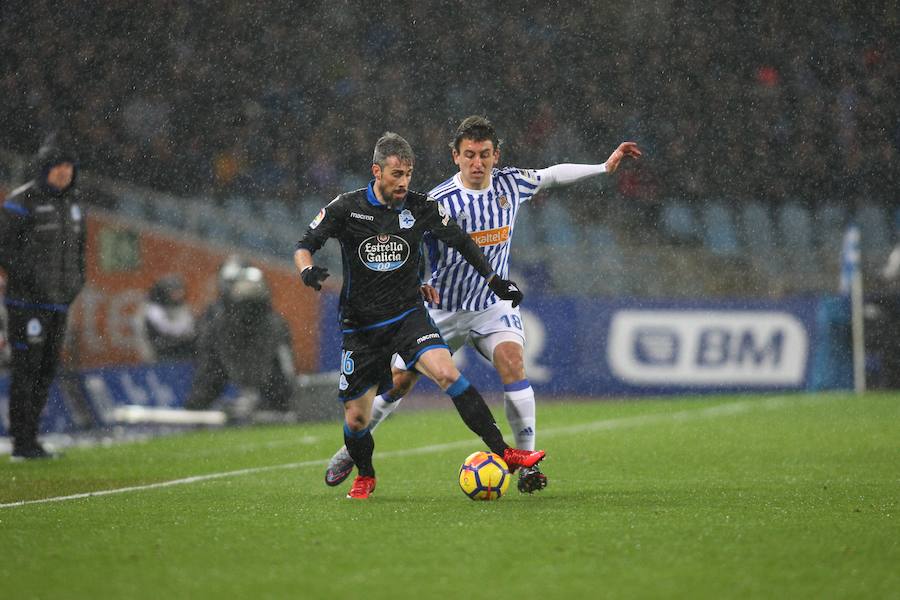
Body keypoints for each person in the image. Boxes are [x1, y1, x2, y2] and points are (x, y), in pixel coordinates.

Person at [325, 116, 641, 492]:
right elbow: (407, 243)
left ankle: (527, 466)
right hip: (443, 309)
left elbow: (552, 174)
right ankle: (353, 448)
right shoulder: (438, 199)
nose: (478, 162)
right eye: (470, 154)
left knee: (513, 364)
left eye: (485, 154)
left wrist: (603, 167)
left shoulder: (511, 183)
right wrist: (417, 282)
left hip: (492, 306)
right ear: (456, 157)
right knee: (398, 383)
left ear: (496, 156)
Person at [294, 131, 545, 499]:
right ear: (377, 171)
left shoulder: (420, 206)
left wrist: (493, 279)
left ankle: (506, 452)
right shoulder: (347, 207)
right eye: (397, 174)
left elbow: (461, 240)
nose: (404, 182)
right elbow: (305, 244)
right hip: (362, 327)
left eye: (408, 174)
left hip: (409, 316)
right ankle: (364, 471)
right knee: (357, 419)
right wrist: (306, 270)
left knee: (447, 374)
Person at [0, 133, 85, 460]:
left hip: (58, 303)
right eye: (58, 166)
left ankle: (32, 438)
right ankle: (21, 442)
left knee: (47, 370)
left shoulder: (74, 205)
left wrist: (75, 284)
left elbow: (79, 252)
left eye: (69, 167)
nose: (65, 172)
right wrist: (31, 280)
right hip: (27, 305)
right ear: (44, 168)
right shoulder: (21, 202)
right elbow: (4, 249)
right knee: (26, 370)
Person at [185, 264, 295, 416]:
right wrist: (197, 405)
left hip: (268, 394)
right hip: (229, 367)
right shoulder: (219, 322)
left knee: (278, 389)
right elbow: (209, 370)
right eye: (243, 288)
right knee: (208, 379)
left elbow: (283, 370)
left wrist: (268, 400)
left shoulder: (274, 324)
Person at [134, 274, 197, 363]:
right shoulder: (151, 309)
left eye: (180, 291)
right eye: (174, 292)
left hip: (180, 354)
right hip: (158, 356)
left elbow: (189, 328)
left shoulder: (181, 307)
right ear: (164, 292)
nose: (179, 295)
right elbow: (168, 331)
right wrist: (185, 338)